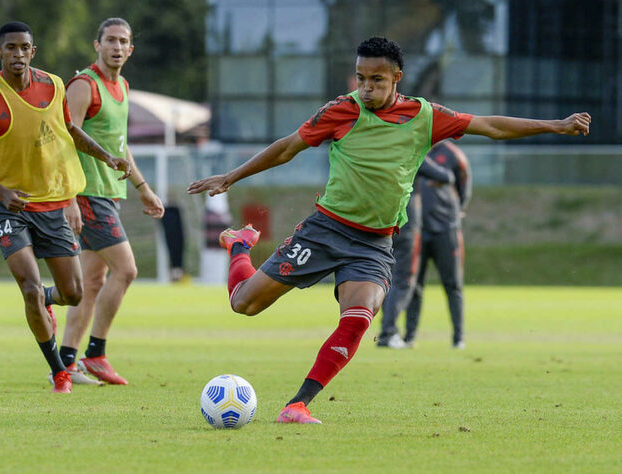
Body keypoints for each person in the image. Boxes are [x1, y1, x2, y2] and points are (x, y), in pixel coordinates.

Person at [187, 36, 591, 424]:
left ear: (397, 77)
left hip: (375, 243)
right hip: (324, 231)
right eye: (360, 78)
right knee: (245, 304)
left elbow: (491, 126)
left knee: (360, 316)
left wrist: (556, 125)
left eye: (376, 80)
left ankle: (298, 405)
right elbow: (289, 146)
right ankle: (239, 246)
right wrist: (231, 176)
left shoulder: (426, 116)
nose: (366, 88)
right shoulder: (342, 111)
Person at [0, 21, 131, 394]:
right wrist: (0, 191)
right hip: (7, 208)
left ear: (32, 52)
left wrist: (106, 156)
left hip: (51, 205)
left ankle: (49, 300)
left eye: (24, 48)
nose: (17, 54)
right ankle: (59, 372)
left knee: (74, 294)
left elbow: (71, 130)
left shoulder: (53, 86)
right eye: (10, 48)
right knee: (29, 288)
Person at [60, 18, 164, 386]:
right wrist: (69, 197)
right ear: (97, 45)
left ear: (131, 49)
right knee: (127, 270)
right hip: (88, 195)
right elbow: (64, 142)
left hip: (109, 194)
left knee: (91, 281)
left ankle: (67, 361)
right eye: (110, 40)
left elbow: (120, 146)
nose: (117, 47)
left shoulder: (121, 86)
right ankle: (96, 353)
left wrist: (143, 187)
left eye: (123, 41)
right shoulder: (83, 86)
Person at [376, 155, 455, 349]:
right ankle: (389, 333)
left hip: (383, 222)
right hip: (408, 224)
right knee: (404, 280)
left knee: (388, 279)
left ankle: (387, 331)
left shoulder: (381, 151)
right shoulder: (413, 153)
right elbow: (445, 176)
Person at [403, 140, 471, 348]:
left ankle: (458, 338)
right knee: (413, 285)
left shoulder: (452, 154)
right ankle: (409, 337)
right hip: (417, 230)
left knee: (453, 285)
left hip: (445, 229)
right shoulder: (410, 149)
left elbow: (463, 183)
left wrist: (456, 211)